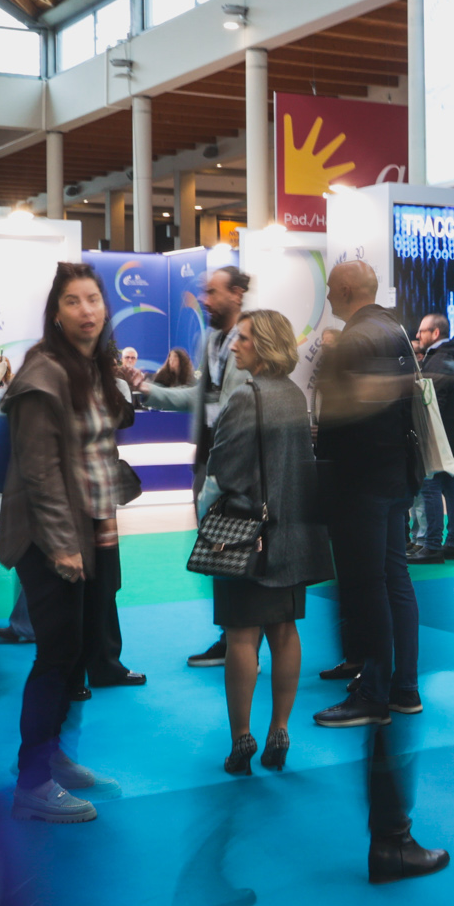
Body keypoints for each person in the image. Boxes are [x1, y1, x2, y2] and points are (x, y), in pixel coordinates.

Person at [0, 262, 142, 824]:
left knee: (78, 652)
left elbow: (96, 450)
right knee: (56, 656)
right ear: (56, 312)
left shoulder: (87, 368)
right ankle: (32, 781)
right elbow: (38, 470)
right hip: (51, 537)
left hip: (90, 529)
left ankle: (52, 756)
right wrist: (62, 546)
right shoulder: (44, 371)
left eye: (94, 299)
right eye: (74, 301)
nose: (87, 310)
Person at [198, 309, 331, 774]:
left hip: (245, 534)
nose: (235, 345)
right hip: (292, 533)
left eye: (245, 338)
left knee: (240, 637)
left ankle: (241, 740)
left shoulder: (244, 397)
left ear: (265, 344)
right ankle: (280, 729)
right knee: (285, 631)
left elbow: (224, 470)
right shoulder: (295, 395)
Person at [311, 260, 423, 722]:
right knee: (394, 581)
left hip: (363, 482)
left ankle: (374, 693)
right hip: (394, 477)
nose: (328, 293)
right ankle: (403, 687)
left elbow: (353, 418)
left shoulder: (358, 338)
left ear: (347, 287)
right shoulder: (394, 331)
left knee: (368, 585)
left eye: (332, 286)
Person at [144, 266, 254, 670]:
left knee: (240, 552)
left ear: (237, 294)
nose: (204, 300)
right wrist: (148, 391)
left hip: (238, 465)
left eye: (212, 292)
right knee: (217, 553)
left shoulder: (252, 338)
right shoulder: (211, 340)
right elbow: (200, 396)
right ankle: (231, 637)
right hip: (207, 461)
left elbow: (245, 403)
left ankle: (245, 644)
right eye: (204, 293)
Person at [410, 312, 454, 564]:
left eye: (422, 331)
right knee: (451, 487)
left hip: (440, 437)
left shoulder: (439, 360)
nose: (417, 335)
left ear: (436, 333)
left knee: (431, 486)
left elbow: (430, 402)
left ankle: (432, 545)